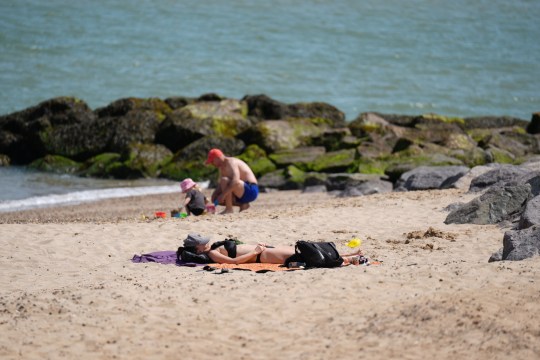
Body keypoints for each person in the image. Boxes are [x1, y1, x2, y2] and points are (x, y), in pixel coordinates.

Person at [181, 233, 364, 265]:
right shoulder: (212, 253)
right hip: (263, 255)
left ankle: (347, 254)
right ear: (197, 249)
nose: (206, 242)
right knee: (300, 255)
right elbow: (232, 262)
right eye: (201, 242)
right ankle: (347, 260)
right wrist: (256, 252)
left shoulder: (212, 248)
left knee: (303, 250)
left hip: (265, 249)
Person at [205, 148, 259, 214]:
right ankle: (243, 205)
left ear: (217, 158)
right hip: (240, 192)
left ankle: (229, 209)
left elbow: (235, 181)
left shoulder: (231, 162)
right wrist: (214, 198)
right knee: (215, 197)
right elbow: (221, 186)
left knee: (225, 181)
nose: (212, 164)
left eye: (212, 161)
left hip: (251, 189)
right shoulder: (221, 168)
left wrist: (222, 195)